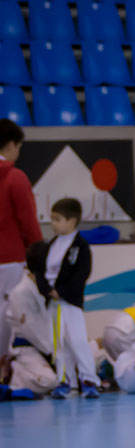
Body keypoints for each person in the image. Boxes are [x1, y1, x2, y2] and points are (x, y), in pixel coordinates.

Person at [33, 198, 99, 399]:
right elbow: (40, 271)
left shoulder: (81, 246)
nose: (53, 224)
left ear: (71, 221)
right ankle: (65, 381)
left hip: (70, 302)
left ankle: (89, 380)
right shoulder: (51, 244)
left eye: (57, 219)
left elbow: (81, 274)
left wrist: (61, 291)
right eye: (52, 219)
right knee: (59, 344)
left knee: (78, 341)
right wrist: (47, 291)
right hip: (53, 303)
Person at [0, 119, 42, 360]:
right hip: (11, 259)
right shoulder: (15, 178)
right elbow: (28, 222)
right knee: (8, 312)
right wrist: (38, 257)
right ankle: (5, 364)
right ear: (12, 145)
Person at [1, 240, 56, 398]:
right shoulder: (20, 292)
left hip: (49, 345)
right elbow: (33, 331)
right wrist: (53, 355)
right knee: (49, 381)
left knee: (86, 363)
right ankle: (15, 375)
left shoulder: (46, 287)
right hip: (28, 349)